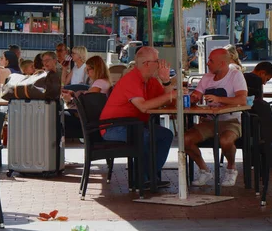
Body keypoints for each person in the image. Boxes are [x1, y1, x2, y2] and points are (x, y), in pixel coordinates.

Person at [99, 46, 175, 186]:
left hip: (134, 125)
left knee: (166, 135)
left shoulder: (150, 81)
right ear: (147, 64)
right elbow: (144, 107)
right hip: (113, 127)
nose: (160, 64)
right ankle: (141, 178)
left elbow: (168, 100)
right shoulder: (131, 79)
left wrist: (166, 81)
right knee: (146, 136)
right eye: (157, 61)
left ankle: (148, 176)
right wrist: (171, 94)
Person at [185, 48, 248, 187]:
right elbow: (196, 94)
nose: (208, 63)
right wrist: (193, 98)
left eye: (211, 61)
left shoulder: (235, 75)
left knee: (225, 140)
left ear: (222, 63)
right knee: (185, 139)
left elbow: (242, 100)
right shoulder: (207, 77)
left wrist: (218, 98)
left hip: (230, 120)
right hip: (209, 121)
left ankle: (231, 168)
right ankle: (204, 170)